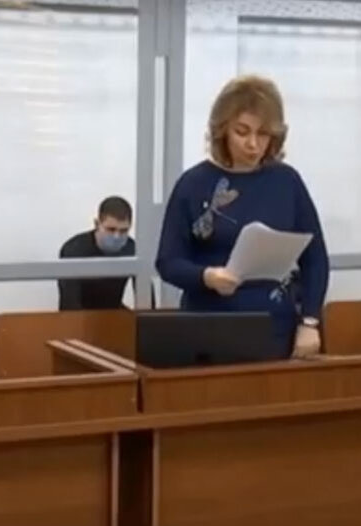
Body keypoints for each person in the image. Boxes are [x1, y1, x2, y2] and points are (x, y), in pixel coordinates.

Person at [155, 75, 329, 359]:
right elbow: (167, 262)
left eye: (263, 134)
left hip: (275, 327)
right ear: (222, 130)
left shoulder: (287, 182)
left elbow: (315, 259)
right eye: (242, 132)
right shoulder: (193, 184)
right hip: (207, 327)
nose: (253, 144)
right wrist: (207, 276)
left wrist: (310, 322)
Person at [58, 196, 137, 310]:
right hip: (80, 313)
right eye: (111, 229)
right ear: (96, 224)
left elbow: (147, 297)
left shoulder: (132, 249)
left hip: (113, 311)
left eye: (124, 230)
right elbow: (69, 303)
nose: (117, 236)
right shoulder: (74, 250)